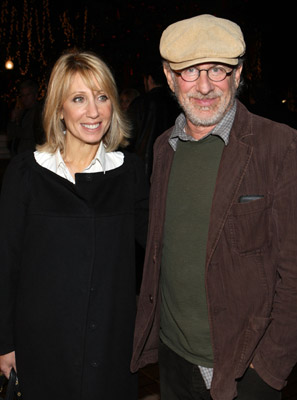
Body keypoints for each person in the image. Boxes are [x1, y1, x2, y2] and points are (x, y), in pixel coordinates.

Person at [131, 14, 297, 400]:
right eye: (190, 71)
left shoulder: (280, 147)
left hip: (242, 368)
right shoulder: (162, 148)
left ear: (238, 76)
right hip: (172, 357)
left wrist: (268, 368)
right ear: (170, 78)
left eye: (218, 70)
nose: (204, 86)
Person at [0, 49, 149, 400]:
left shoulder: (129, 172)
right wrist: (5, 342)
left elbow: (160, 247)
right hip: (41, 346)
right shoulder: (25, 174)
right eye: (79, 99)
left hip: (110, 348)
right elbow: (6, 264)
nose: (94, 112)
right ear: (58, 110)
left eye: (102, 97)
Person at [127, 58, 180, 180]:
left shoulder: (140, 103)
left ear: (149, 79)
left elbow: (127, 137)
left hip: (142, 169)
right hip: (171, 167)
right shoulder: (177, 103)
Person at [7, 79, 45, 156]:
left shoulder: (39, 112)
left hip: (30, 156)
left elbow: (27, 134)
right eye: (23, 95)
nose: (25, 98)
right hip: (19, 156)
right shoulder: (22, 111)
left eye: (28, 95)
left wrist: (14, 124)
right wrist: (13, 120)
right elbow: (10, 134)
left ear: (35, 95)